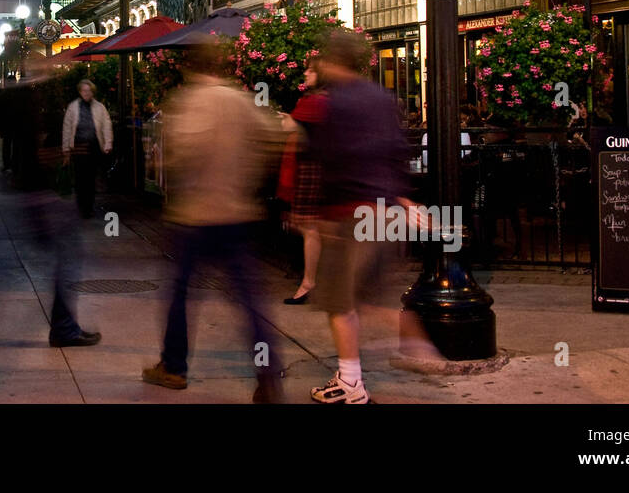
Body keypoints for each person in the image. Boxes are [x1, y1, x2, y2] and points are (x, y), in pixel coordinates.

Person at [141, 42, 285, 402]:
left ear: (189, 67)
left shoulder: (191, 101)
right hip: (237, 213)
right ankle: (268, 375)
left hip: (196, 216)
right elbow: (272, 139)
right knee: (250, 299)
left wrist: (162, 165)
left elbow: (181, 151)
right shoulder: (241, 100)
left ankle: (173, 368)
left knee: (180, 293)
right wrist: (246, 181)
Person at [303, 28, 436, 405]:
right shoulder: (382, 98)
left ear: (331, 61)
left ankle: (351, 381)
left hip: (350, 212)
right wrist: (403, 198)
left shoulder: (333, 103)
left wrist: (320, 217)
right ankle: (410, 337)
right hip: (385, 210)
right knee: (366, 298)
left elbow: (330, 160)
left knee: (339, 301)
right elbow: (398, 149)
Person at [279, 65, 325, 305]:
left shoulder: (314, 101)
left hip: (311, 168)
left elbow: (291, 127)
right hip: (318, 166)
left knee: (309, 227)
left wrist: (285, 118)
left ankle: (309, 282)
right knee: (312, 226)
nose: (305, 73)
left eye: (311, 70)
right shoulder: (326, 100)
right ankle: (314, 279)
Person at [61, 79, 113, 219]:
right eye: (84, 90)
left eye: (89, 91)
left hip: (93, 146)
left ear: (92, 92)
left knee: (90, 177)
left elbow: (106, 125)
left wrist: (108, 142)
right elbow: (67, 127)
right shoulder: (73, 107)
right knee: (80, 177)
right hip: (78, 146)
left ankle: (88, 206)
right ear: (80, 91)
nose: (86, 93)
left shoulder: (99, 107)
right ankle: (82, 204)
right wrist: (66, 148)